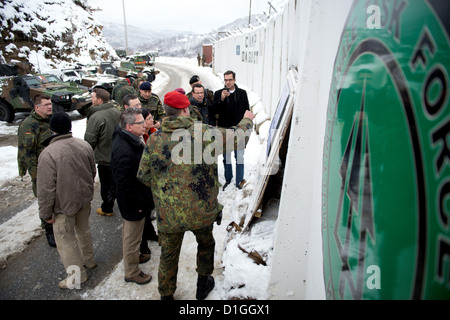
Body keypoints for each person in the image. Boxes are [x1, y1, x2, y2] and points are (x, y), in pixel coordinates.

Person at [137, 90, 255, 300]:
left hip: (170, 215)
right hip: (202, 209)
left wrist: (166, 191)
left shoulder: (154, 139)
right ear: (185, 110)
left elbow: (144, 175)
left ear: (166, 112)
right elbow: (239, 137)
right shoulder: (203, 133)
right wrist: (247, 119)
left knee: (169, 256)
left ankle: (166, 295)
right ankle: (203, 284)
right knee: (206, 244)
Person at [37, 112, 97, 289]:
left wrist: (45, 213)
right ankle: (89, 260)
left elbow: (45, 189)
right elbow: (92, 172)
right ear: (69, 127)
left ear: (52, 129)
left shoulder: (48, 154)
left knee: (66, 241)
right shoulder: (84, 145)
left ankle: (76, 277)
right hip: (83, 200)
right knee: (84, 230)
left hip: (63, 207)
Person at [111, 107, 154, 285]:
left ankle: (137, 258)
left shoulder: (131, 139)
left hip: (138, 200)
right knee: (131, 238)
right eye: (140, 123)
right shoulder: (124, 150)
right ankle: (132, 272)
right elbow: (124, 185)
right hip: (132, 203)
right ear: (129, 127)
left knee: (135, 236)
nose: (144, 125)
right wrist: (137, 204)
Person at [17, 94, 56, 247]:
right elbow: (27, 154)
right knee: (45, 199)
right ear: (37, 107)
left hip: (52, 167)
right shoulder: (29, 125)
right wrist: (37, 176)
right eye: (46, 104)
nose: (50, 107)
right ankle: (48, 230)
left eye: (50, 104)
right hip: (40, 171)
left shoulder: (49, 121)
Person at [84, 87, 121, 216]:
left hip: (105, 158)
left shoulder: (96, 116)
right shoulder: (118, 112)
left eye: (93, 97)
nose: (91, 100)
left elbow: (89, 140)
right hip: (119, 155)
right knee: (116, 181)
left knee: (106, 184)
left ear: (99, 100)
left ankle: (107, 208)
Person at [214, 70, 250, 190]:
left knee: (239, 157)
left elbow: (247, 111)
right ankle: (228, 179)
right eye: (226, 80)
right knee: (227, 158)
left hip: (239, 130)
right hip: (225, 131)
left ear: (234, 80)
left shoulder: (242, 93)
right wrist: (222, 99)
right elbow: (215, 110)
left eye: (230, 80)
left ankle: (239, 181)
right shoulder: (219, 93)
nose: (228, 82)